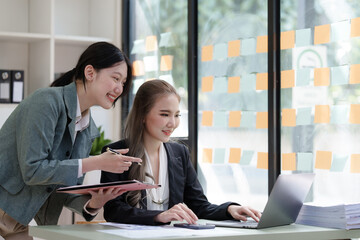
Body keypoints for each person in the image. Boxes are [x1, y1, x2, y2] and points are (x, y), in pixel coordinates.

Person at [0, 42, 142, 239]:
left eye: (124, 83)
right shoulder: (46, 101)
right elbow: (32, 170)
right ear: (90, 73)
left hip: (17, 220)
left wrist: (95, 202)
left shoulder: (87, 129)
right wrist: (95, 162)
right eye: (116, 78)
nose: (119, 89)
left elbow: (63, 189)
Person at [101, 79, 261, 225]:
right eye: (164, 114)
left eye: (177, 115)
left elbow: (198, 205)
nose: (172, 123)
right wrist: (158, 216)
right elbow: (113, 210)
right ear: (143, 115)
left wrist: (229, 209)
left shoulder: (180, 153)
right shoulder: (116, 153)